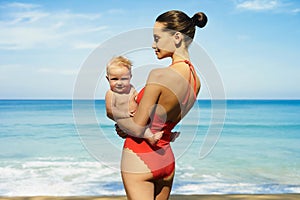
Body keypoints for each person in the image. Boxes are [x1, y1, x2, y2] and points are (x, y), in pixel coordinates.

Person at [115, 10, 207, 200]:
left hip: (140, 156)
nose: (153, 44)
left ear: (177, 37)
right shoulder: (196, 81)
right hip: (166, 160)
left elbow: (138, 126)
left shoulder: (159, 75)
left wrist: (122, 124)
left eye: (157, 38)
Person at [105, 56, 162, 145]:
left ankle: (166, 135)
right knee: (139, 129)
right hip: (124, 120)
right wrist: (125, 115)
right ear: (108, 79)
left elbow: (137, 98)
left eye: (124, 79)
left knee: (149, 124)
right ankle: (151, 139)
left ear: (130, 77)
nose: (119, 83)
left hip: (136, 118)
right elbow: (110, 112)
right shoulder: (111, 94)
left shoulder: (131, 88)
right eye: (114, 79)